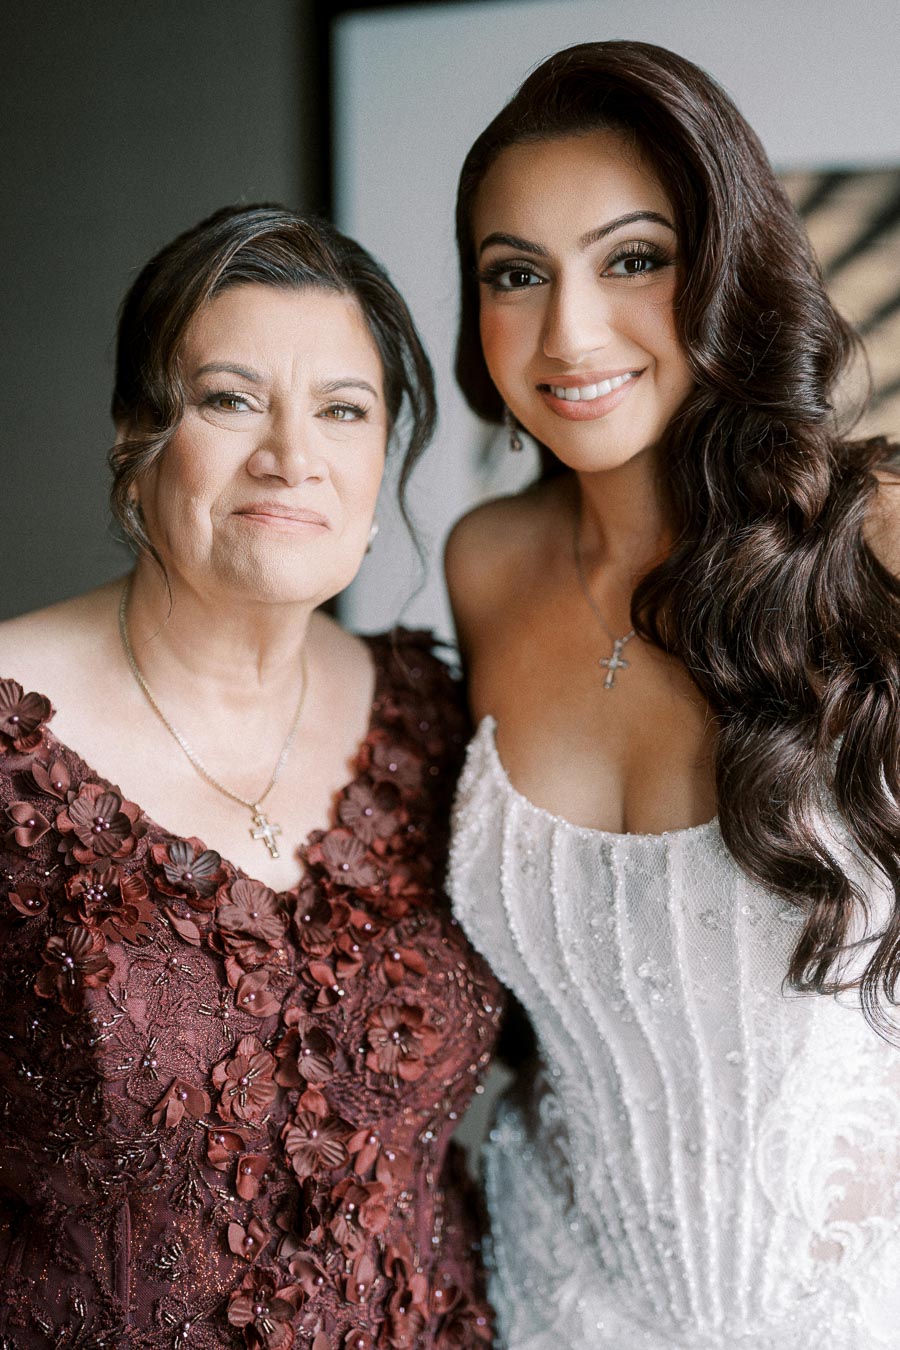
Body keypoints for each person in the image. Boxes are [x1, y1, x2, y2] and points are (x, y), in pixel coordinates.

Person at [444, 40, 900, 1350]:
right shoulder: (487, 564)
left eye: (632, 258)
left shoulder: (873, 542)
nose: (569, 332)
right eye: (514, 274)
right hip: (556, 1299)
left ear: (728, 271)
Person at [0, 205, 502, 1349]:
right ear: (137, 434)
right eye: (231, 400)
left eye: (343, 410)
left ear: (382, 465)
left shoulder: (438, 721)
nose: (292, 456)